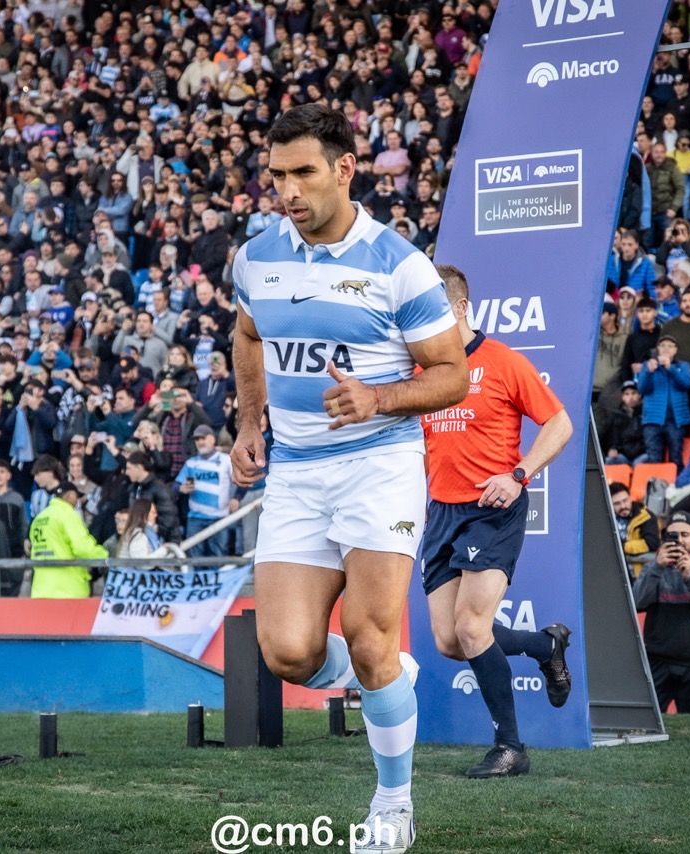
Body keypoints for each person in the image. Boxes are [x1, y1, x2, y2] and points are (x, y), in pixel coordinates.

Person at [230, 103, 468, 851]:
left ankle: (392, 803)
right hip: (297, 473)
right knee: (289, 654)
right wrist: (247, 423)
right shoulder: (256, 255)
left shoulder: (400, 263)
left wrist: (378, 396)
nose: (289, 191)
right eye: (276, 177)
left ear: (344, 169)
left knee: (368, 637)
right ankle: (384, 676)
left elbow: (454, 375)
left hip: (379, 465)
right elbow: (246, 333)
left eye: (303, 172)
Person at [420, 264, 574, 778]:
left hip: (493, 508)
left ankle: (511, 748)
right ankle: (543, 645)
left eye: (434, 308)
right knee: (449, 640)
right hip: (440, 512)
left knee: (470, 625)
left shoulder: (503, 361)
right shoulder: (421, 369)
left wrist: (520, 474)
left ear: (461, 307)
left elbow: (560, 422)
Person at [632, 510, 690, 714]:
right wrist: (657, 567)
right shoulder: (652, 568)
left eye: (685, 535)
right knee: (651, 722)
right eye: (673, 535)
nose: (680, 540)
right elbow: (636, 603)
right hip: (657, 660)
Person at [28, 480, 109, 598]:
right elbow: (82, 547)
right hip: (67, 587)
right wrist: (106, 556)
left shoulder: (40, 517)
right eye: (76, 497)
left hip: (40, 587)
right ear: (69, 496)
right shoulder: (67, 514)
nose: (77, 502)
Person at [174, 424, 238, 556]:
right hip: (195, 519)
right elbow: (174, 486)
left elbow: (240, 482)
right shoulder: (190, 463)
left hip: (219, 518)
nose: (200, 442)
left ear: (212, 439)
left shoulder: (226, 460)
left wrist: (236, 498)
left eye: (203, 438)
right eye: (197, 439)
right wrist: (181, 488)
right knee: (194, 559)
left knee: (218, 559)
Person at [637, 334, 690, 466]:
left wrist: (670, 368)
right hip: (652, 420)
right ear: (658, 349)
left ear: (676, 350)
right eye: (663, 346)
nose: (666, 349)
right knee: (654, 459)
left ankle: (675, 486)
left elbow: (686, 383)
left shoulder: (684, 366)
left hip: (675, 421)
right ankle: (656, 486)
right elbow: (643, 389)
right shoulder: (648, 366)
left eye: (670, 346)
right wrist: (649, 373)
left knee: (676, 459)